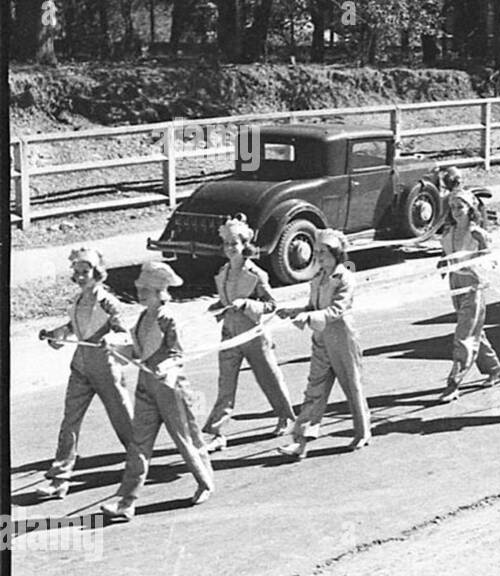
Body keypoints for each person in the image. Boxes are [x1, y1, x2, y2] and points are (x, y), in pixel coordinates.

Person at [102, 261, 215, 522]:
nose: (140, 293)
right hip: (146, 386)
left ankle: (205, 482)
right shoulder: (143, 317)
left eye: (146, 289)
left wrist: (165, 367)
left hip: (171, 388)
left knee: (187, 439)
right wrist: (115, 348)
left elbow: (176, 353)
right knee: (138, 444)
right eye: (140, 288)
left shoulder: (168, 317)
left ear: (160, 292)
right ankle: (126, 502)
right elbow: (138, 351)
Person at [34, 246, 135, 499]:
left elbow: (124, 331)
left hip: (105, 368)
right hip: (80, 367)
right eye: (76, 272)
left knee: (122, 419)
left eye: (85, 272)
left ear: (97, 272)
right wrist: (58, 334)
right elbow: (74, 326)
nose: (80, 277)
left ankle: (138, 462)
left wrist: (111, 338)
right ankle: (60, 480)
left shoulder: (108, 301)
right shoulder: (78, 299)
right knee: (70, 421)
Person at [200, 215, 296, 451]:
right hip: (229, 335)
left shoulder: (257, 274)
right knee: (225, 384)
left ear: (245, 245)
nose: (230, 248)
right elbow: (226, 298)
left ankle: (286, 416)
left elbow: (272, 305)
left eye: (235, 243)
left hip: (253, 334)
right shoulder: (223, 272)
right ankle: (217, 432)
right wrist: (218, 306)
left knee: (269, 378)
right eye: (226, 244)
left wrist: (248, 304)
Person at [277, 229, 371, 458]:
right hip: (321, 338)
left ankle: (362, 431)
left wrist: (309, 317)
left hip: (341, 337)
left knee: (352, 385)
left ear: (336, 253)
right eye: (316, 251)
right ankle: (300, 442)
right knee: (314, 389)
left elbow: (337, 310)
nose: (318, 256)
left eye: (323, 252)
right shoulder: (317, 278)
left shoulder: (345, 278)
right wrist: (294, 311)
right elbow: (313, 307)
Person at [439, 190, 500, 401]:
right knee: (474, 329)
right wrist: (444, 263)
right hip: (455, 284)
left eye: (461, 207)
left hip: (473, 285)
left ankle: (453, 382)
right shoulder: (448, 233)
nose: (456, 211)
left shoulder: (477, 234)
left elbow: (491, 261)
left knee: (464, 334)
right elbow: (448, 255)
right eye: (453, 207)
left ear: (470, 209)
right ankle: (494, 368)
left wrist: (482, 256)